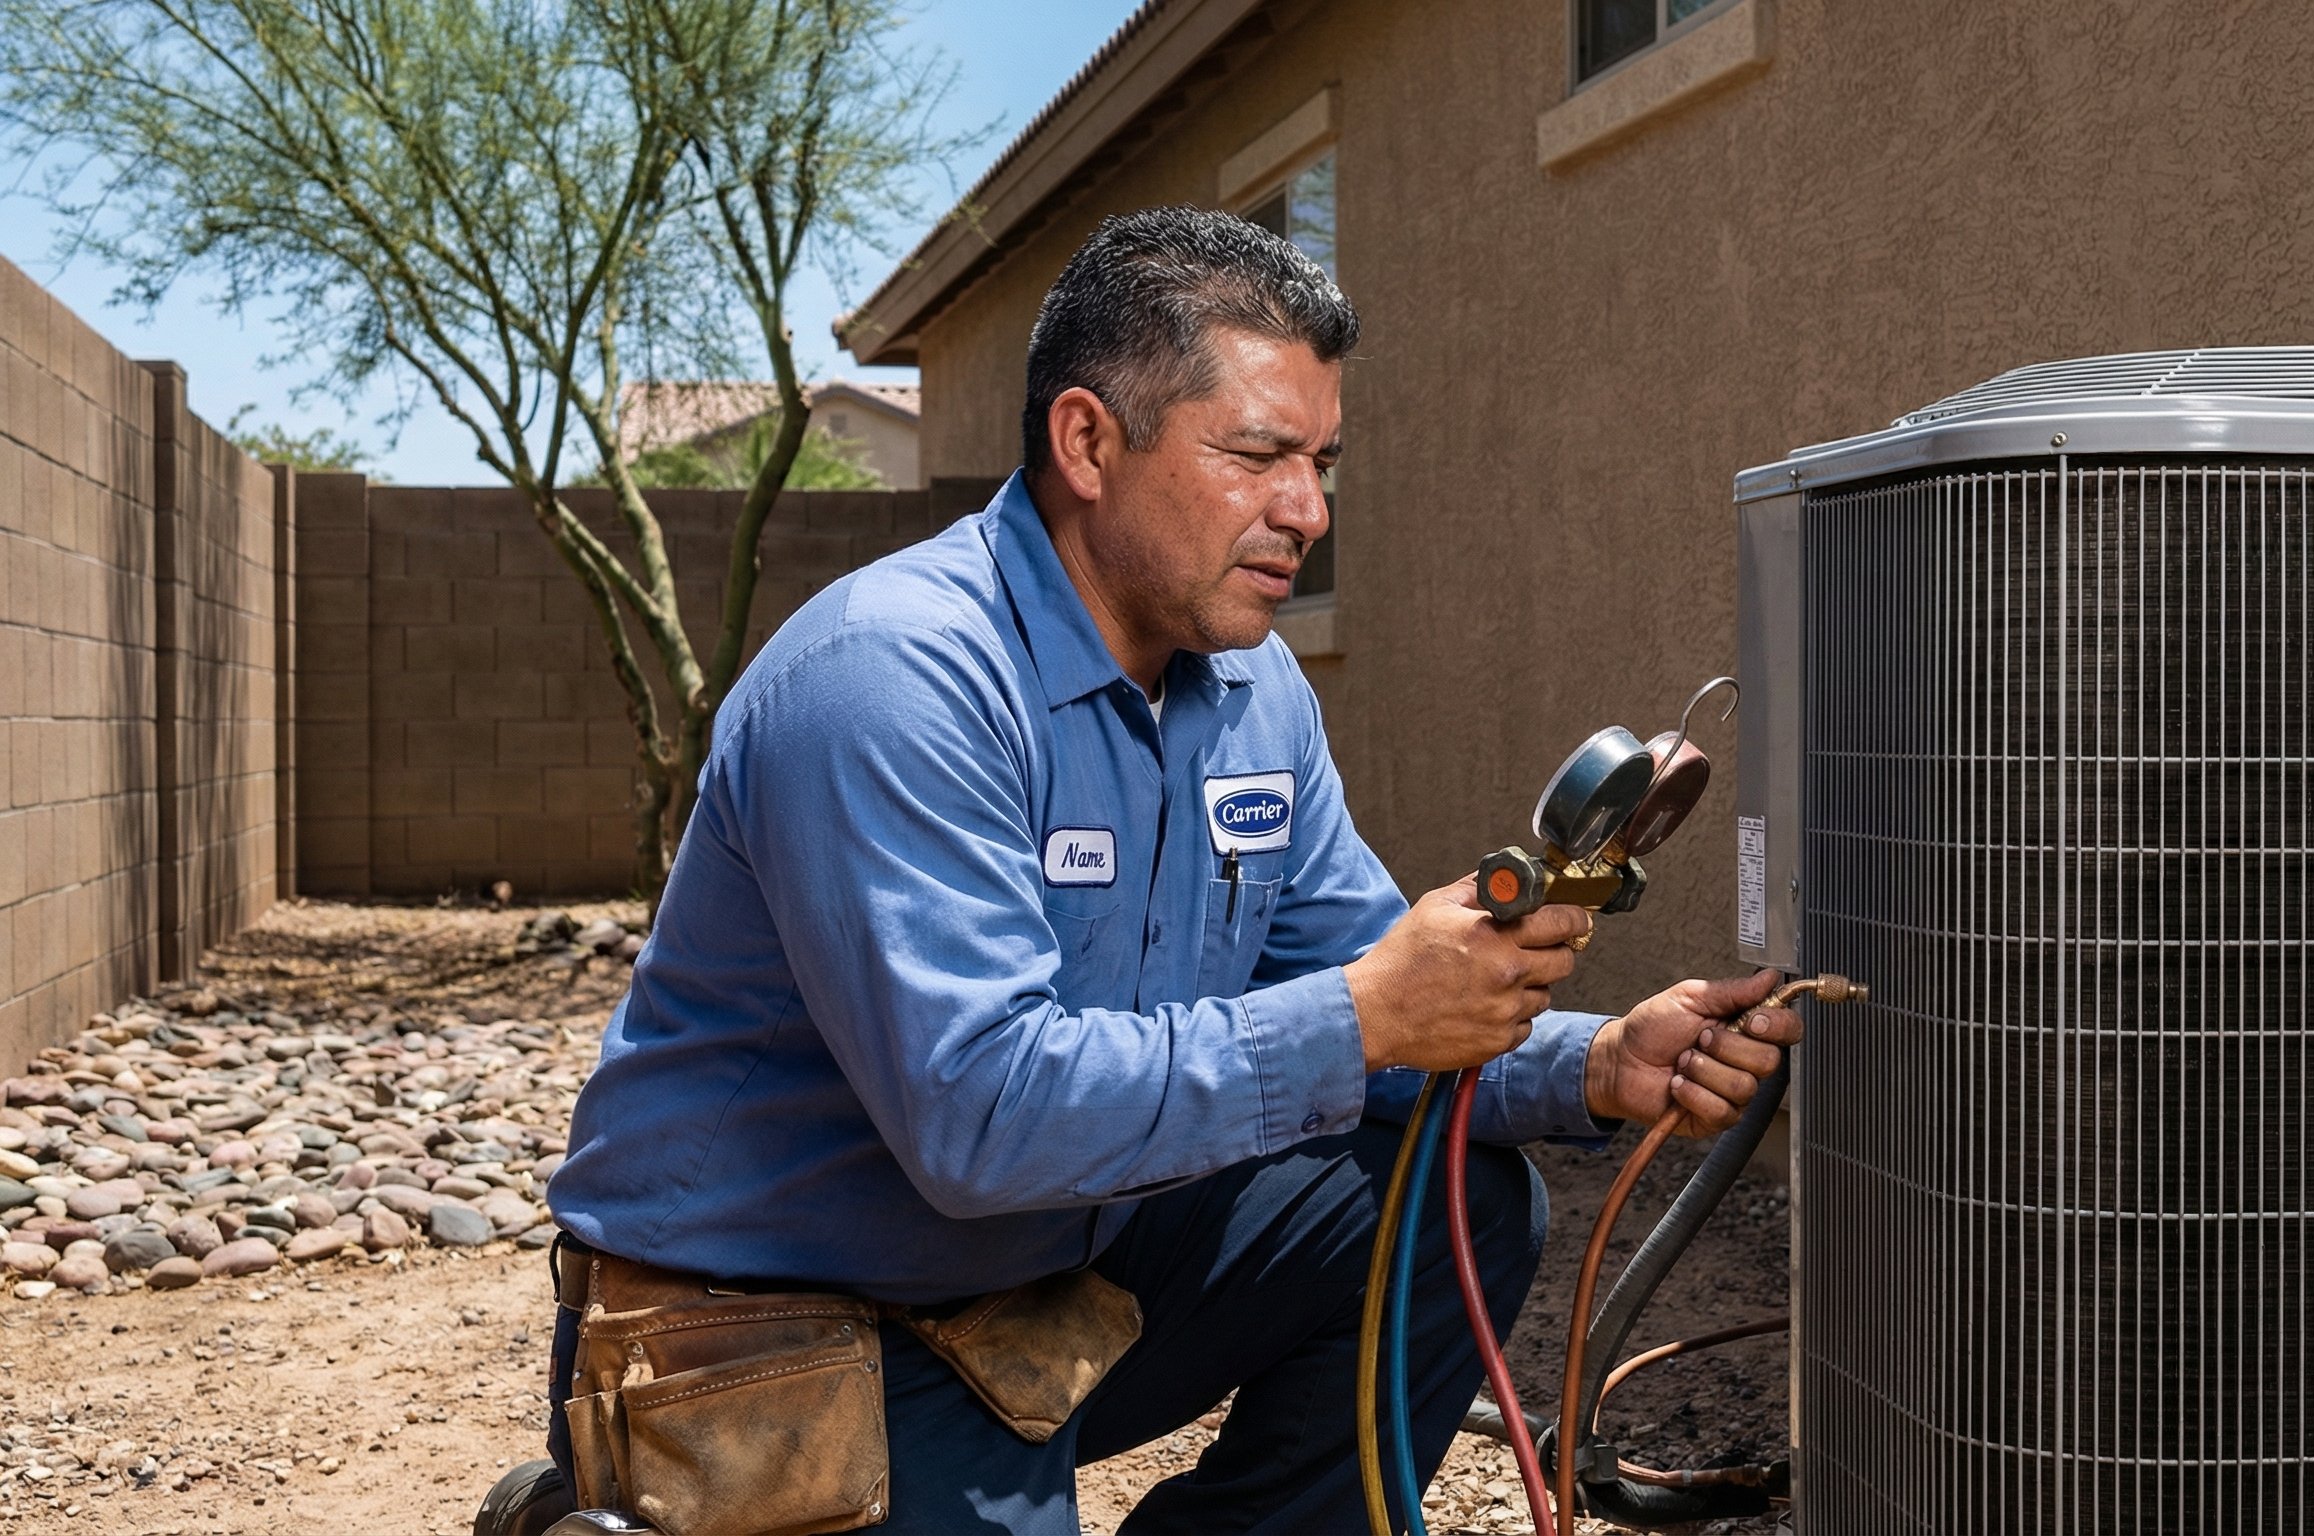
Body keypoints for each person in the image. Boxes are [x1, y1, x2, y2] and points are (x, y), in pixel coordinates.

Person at [504, 206, 1801, 1536]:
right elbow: (982, 1122)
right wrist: (1364, 1015)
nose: (1307, 510)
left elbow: (1370, 984)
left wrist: (1594, 1064)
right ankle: (630, 1491)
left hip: (1037, 1286)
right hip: (768, 1331)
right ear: (1088, 442)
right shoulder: (894, 679)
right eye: (1257, 456)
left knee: (1450, 1201)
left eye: (1321, 461)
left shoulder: (1247, 689)